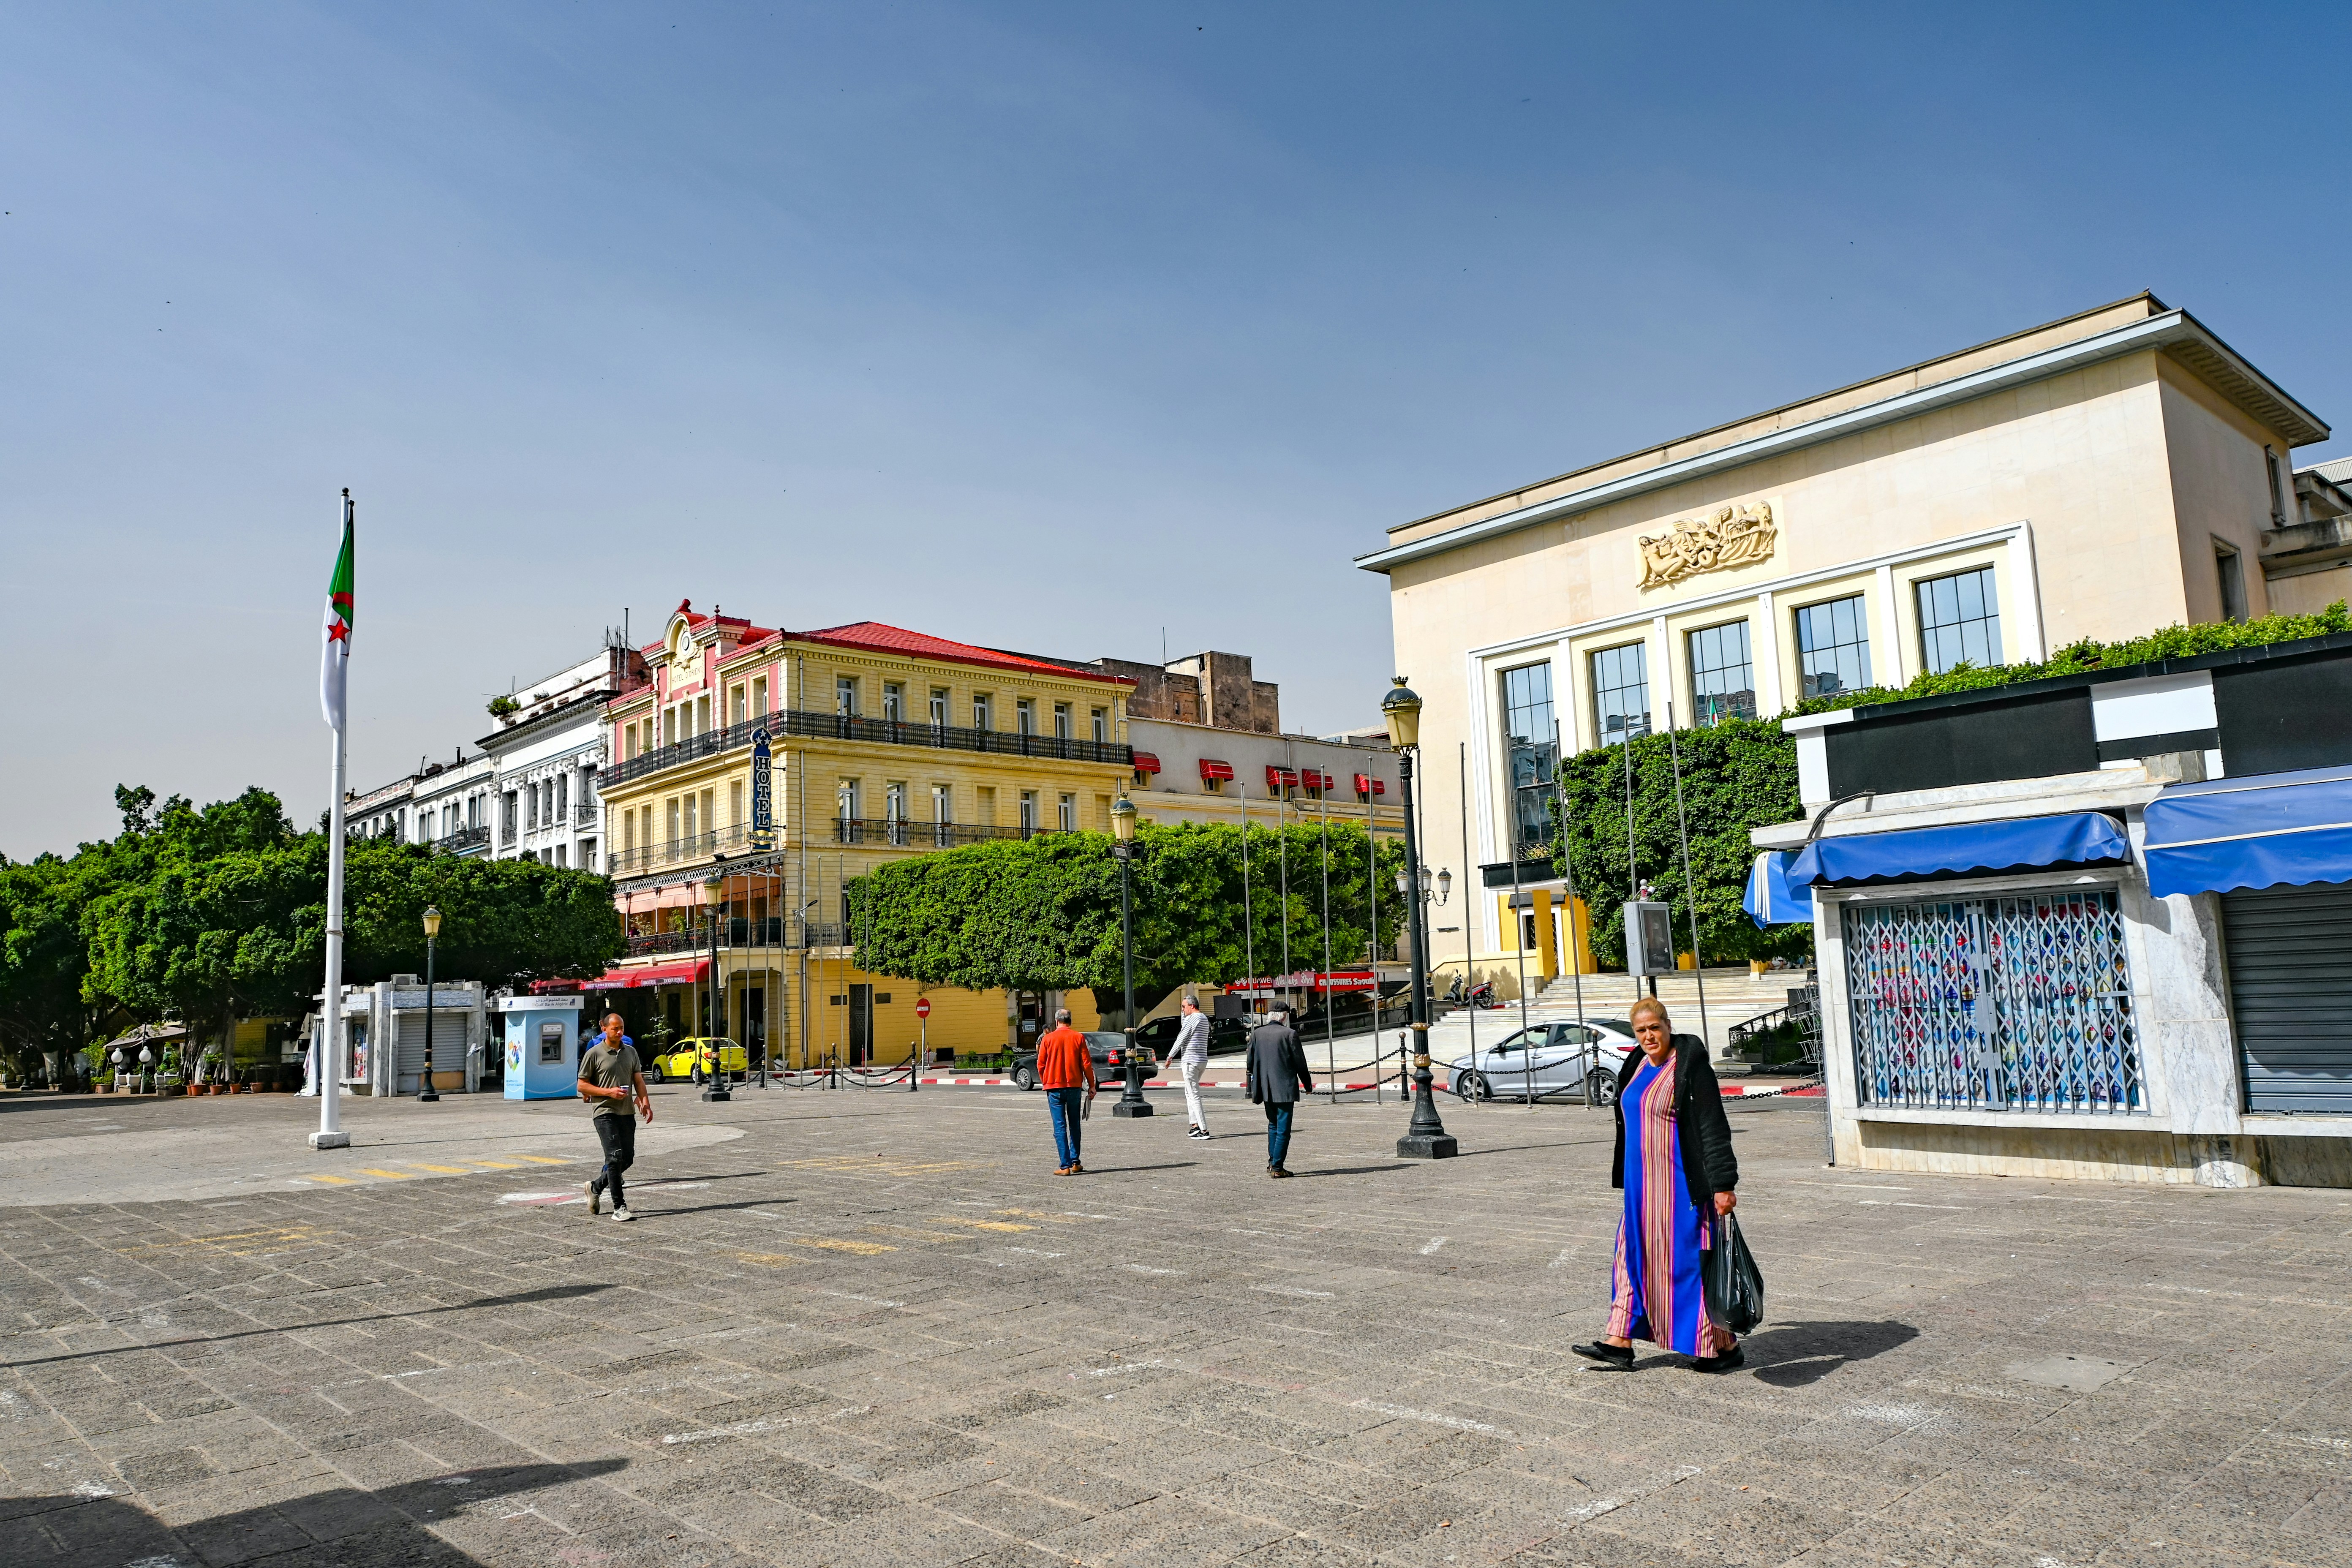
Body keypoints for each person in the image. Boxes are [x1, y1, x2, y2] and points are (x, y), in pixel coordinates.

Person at [1573, 996, 1742, 1372]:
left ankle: (1722, 1346)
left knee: (1688, 1266)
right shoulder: (1636, 1064)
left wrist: (1723, 1183)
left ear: (1668, 1026)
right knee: (1630, 1256)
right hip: (1641, 1188)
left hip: (1680, 1187)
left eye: (1655, 1028)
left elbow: (1713, 1125)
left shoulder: (1690, 1067)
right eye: (1641, 1031)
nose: (1649, 1036)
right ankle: (1619, 1341)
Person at [577, 1011, 653, 1221]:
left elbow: (638, 1080)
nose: (619, 1032)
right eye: (615, 1029)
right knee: (614, 1157)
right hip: (604, 1112)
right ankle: (620, 1207)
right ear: (604, 1029)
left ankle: (595, 1187)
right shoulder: (594, 1053)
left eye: (622, 1029)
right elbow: (582, 1085)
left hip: (626, 1111)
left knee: (627, 1159)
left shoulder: (631, 1052)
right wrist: (608, 1092)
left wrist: (645, 1101)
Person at [1245, 1004, 1313, 1178]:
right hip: (1284, 1089)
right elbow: (1300, 1063)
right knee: (1283, 1128)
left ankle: (1272, 1163)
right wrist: (1307, 1085)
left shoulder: (1257, 1034)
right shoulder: (1290, 1034)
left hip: (1265, 1088)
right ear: (1283, 1016)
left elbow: (1250, 1061)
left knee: (1273, 1125)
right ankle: (1277, 1167)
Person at [1036, 1007, 1096, 1176]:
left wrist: (1046, 1080)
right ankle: (1076, 1162)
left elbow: (1041, 1064)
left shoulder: (1048, 1039)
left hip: (1054, 1088)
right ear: (1070, 1021)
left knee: (1060, 1126)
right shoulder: (1078, 1037)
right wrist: (1091, 1085)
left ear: (1057, 1022)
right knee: (1075, 1124)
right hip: (1074, 1086)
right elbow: (1086, 1064)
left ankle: (1065, 1166)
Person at [1169, 995, 1212, 1140]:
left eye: (1184, 1007)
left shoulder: (1193, 1019)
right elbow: (1185, 1026)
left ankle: (1204, 1129)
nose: (1182, 1010)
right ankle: (1194, 1125)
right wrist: (1183, 1014)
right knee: (1189, 1092)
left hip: (1190, 1061)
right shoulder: (1203, 1018)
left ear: (1192, 1006)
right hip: (1202, 1060)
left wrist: (1170, 1056)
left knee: (1194, 1095)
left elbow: (1181, 1038)